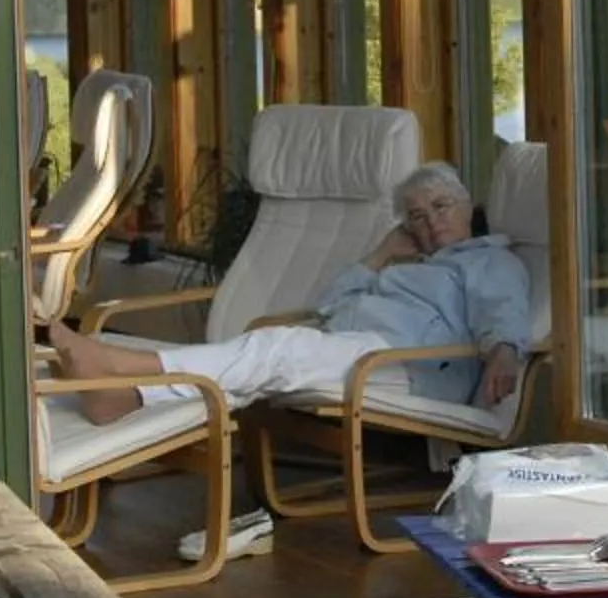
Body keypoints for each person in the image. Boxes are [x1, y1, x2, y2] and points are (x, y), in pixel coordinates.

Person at [45, 160, 527, 426]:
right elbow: (330, 305)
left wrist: (503, 352)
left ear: (467, 206)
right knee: (262, 366)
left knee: (275, 349)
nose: (432, 219)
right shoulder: (410, 265)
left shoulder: (487, 259)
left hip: (412, 365)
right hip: (361, 349)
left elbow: (501, 309)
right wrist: (380, 253)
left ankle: (121, 366)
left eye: (442, 205)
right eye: (417, 214)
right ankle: (125, 398)